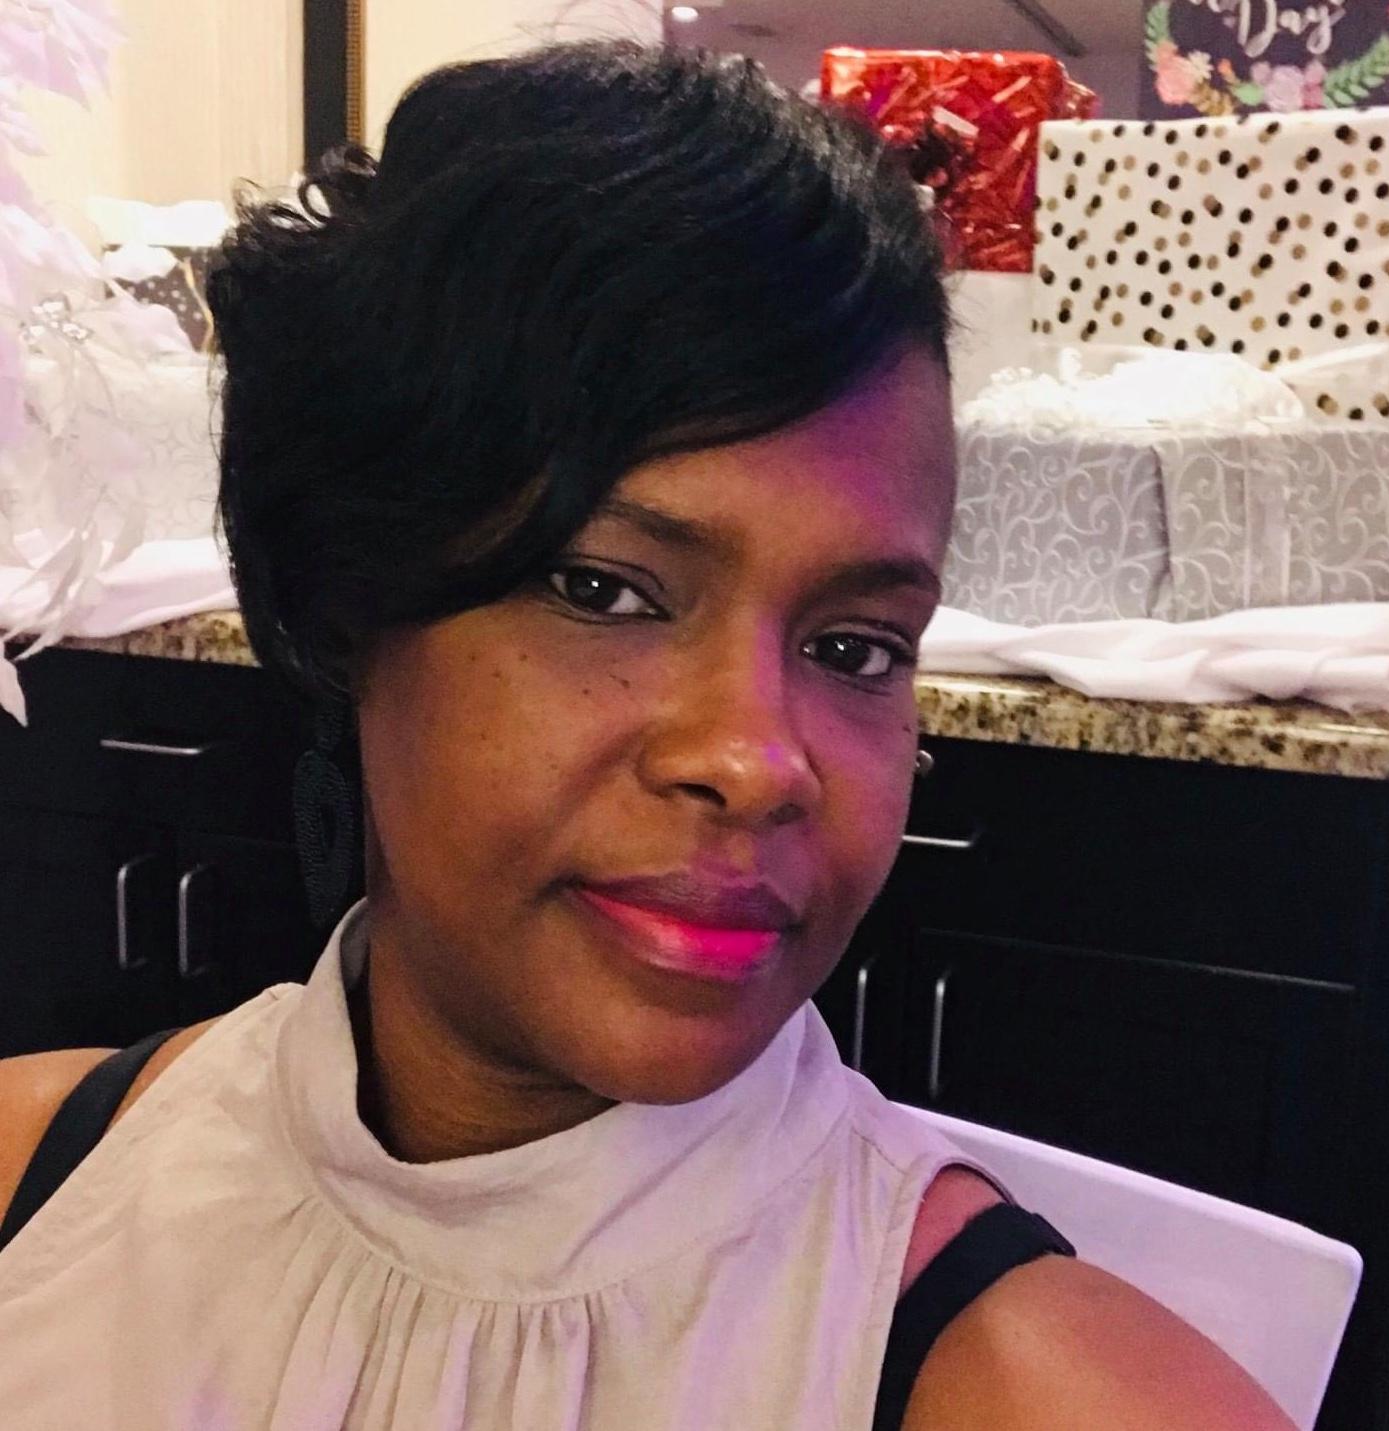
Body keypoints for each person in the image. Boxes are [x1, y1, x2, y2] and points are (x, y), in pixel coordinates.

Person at [0, 41, 1293, 1430]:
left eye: (855, 648)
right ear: (338, 603)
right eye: (605, 591)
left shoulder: (1058, 1397)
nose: (756, 761)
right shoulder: (42, 1192)